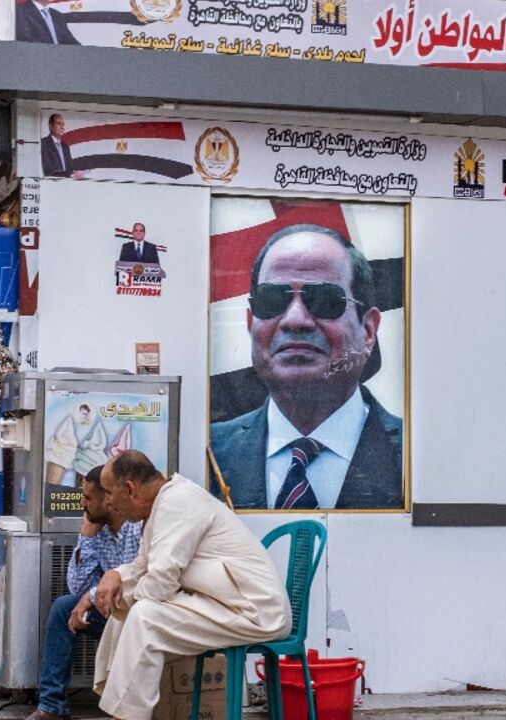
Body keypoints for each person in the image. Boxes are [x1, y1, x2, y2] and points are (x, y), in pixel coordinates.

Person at [209, 224, 403, 510]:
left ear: (368, 332)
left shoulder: (420, 459)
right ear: (251, 325)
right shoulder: (205, 455)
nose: (295, 319)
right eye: (273, 300)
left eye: (324, 299)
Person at [91, 451, 289, 720]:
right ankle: (121, 707)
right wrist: (115, 576)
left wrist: (131, 595)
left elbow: (160, 583)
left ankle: (127, 715)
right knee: (123, 610)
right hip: (225, 603)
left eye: (110, 493)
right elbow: (143, 568)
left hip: (254, 611)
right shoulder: (163, 503)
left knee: (145, 616)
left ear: (130, 489)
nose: (109, 502)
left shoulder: (177, 502)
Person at [27, 466, 141, 720]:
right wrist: (86, 538)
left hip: (138, 615)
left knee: (86, 606)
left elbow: (133, 584)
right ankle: (51, 706)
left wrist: (89, 597)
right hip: (109, 613)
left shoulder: (136, 528)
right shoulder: (97, 531)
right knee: (63, 606)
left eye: (88, 497)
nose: (82, 503)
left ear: (109, 499)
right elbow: (76, 588)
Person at [41, 114, 83, 178]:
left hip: (66, 184)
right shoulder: (44, 143)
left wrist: (75, 173)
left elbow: (70, 168)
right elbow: (49, 169)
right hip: (51, 184)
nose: (62, 127)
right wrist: (69, 174)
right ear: (50, 126)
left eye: (63, 124)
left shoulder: (65, 146)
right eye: (59, 123)